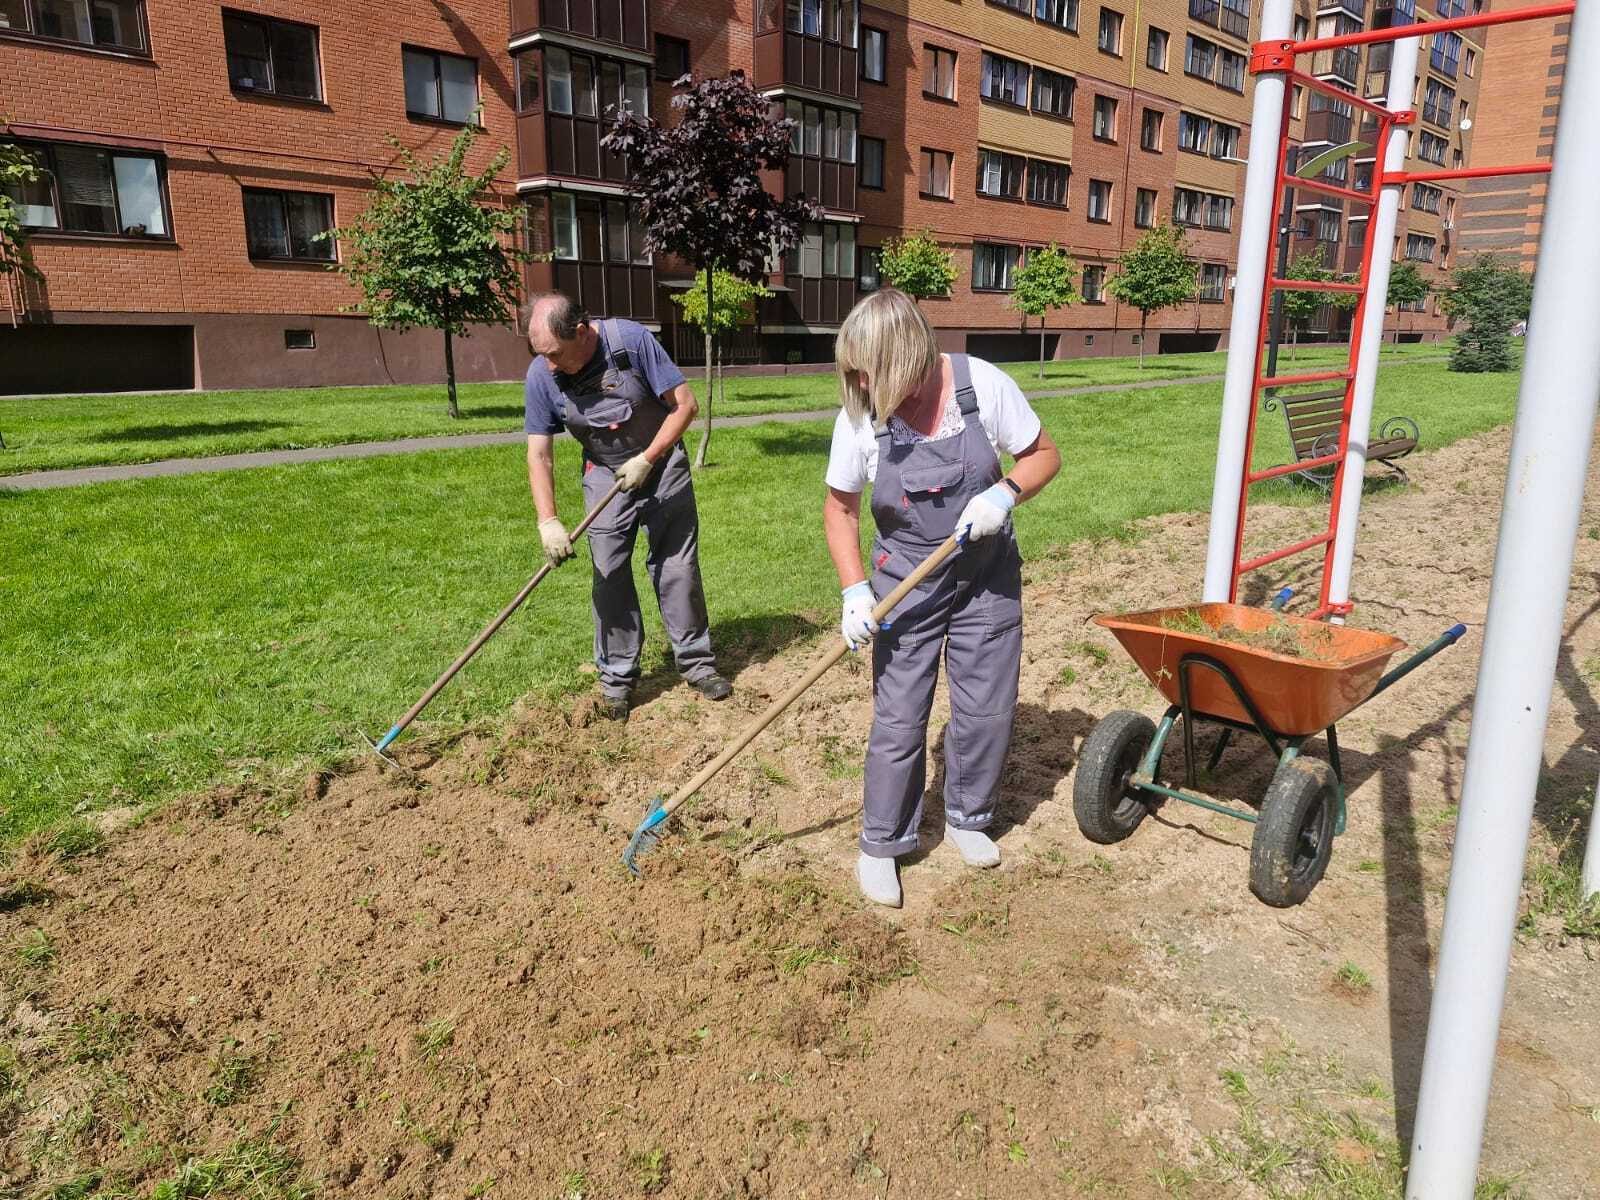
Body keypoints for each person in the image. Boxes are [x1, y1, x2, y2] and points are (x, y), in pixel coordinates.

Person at [822, 289, 1061, 907]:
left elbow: (1043, 456)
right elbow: (840, 509)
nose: (861, 384)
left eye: (870, 371)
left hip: (986, 575)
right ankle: (882, 843)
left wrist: (1004, 493)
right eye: (855, 372)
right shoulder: (860, 417)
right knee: (900, 716)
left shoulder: (982, 387)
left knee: (986, 708)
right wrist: (854, 590)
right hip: (906, 581)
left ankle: (967, 817)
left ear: (904, 358)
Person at [524, 293, 732, 719]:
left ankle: (697, 664)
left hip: (661, 462)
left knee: (676, 566)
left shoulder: (630, 341)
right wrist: (548, 521)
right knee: (609, 573)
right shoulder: (542, 375)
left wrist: (648, 458)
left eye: (555, 353)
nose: (549, 364)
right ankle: (617, 681)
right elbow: (539, 453)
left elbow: (686, 405)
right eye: (541, 354)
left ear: (581, 332)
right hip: (605, 472)